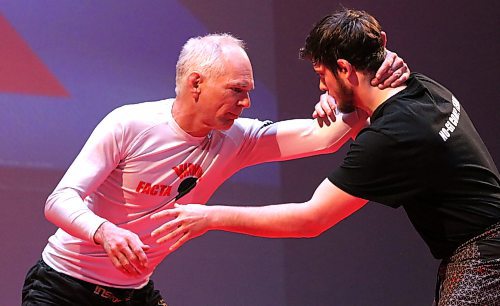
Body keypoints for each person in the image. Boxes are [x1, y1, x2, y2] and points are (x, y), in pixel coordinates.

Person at [21, 32, 408, 305]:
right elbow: (60, 200)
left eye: (249, 92)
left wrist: (360, 86)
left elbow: (326, 137)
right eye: (236, 90)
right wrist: (104, 232)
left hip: (133, 294)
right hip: (62, 288)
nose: (245, 102)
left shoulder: (237, 139)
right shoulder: (129, 124)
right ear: (196, 84)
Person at [151, 10, 500, 305]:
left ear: (345, 69)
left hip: (485, 261)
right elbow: (372, 106)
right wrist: (346, 102)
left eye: (323, 76)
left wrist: (210, 217)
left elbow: (310, 219)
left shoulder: (391, 137)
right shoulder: (424, 87)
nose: (322, 88)